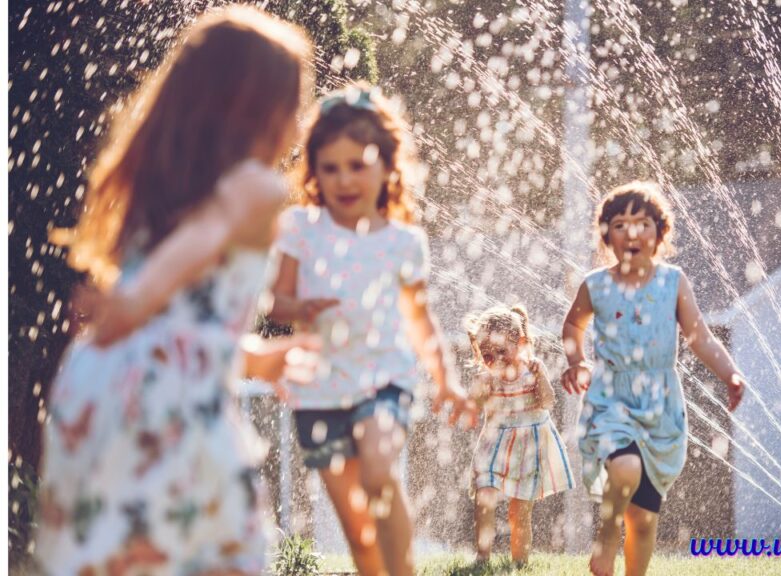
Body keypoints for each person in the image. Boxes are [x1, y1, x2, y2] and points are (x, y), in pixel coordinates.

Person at [36, 6, 313, 575]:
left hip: (99, 385)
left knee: (126, 558)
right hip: (164, 398)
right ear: (256, 104)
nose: (301, 118)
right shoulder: (255, 187)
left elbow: (184, 324)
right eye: (296, 99)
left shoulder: (159, 196)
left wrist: (258, 360)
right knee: (223, 553)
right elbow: (194, 252)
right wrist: (136, 303)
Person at [267, 84, 476, 576]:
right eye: (330, 167)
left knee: (379, 472)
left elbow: (421, 321)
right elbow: (276, 304)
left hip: (384, 380)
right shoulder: (300, 227)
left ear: (386, 165)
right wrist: (299, 304)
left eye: (357, 165)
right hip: (319, 389)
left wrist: (446, 382)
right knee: (359, 533)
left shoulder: (403, 242)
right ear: (313, 171)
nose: (344, 179)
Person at [561, 181, 746, 576]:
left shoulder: (673, 281)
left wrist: (730, 373)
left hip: (660, 406)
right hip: (610, 397)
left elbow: (700, 337)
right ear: (605, 235)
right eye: (620, 224)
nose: (632, 233)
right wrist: (577, 362)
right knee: (624, 467)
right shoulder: (596, 285)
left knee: (644, 520)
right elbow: (573, 327)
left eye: (642, 223)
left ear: (660, 233)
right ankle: (605, 541)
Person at [464, 305, 574, 565]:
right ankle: (482, 556)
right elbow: (474, 407)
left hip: (528, 445)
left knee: (519, 510)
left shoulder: (533, 369)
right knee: (484, 496)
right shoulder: (488, 376)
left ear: (521, 344)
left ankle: (520, 562)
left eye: (502, 351)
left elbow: (547, 402)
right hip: (495, 442)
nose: (496, 360)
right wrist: (479, 389)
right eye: (488, 355)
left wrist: (541, 380)